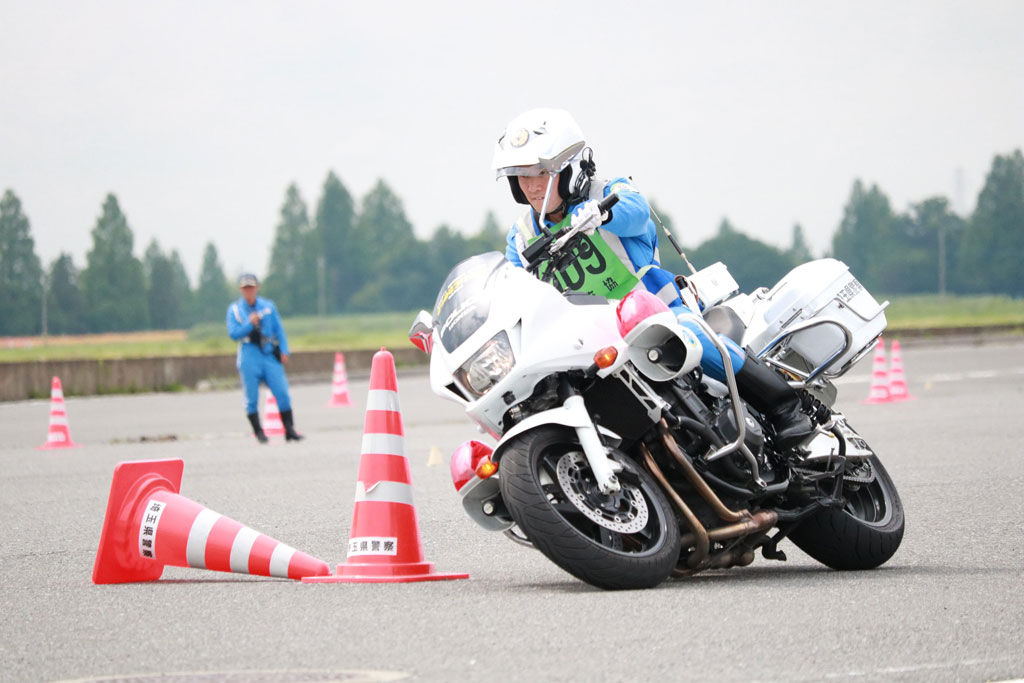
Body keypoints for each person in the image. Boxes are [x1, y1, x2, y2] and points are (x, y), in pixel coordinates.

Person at [492, 107, 813, 449]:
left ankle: (786, 407)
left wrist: (603, 214)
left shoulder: (608, 193)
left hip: (655, 314)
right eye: (522, 176)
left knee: (688, 333)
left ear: (569, 170)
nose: (532, 186)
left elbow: (637, 212)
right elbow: (511, 289)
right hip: (591, 339)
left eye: (542, 173)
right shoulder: (521, 237)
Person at [226, 273, 303, 443]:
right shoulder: (235, 310)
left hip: (268, 352)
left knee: (282, 391)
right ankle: (258, 431)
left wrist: (284, 350)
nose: (249, 291)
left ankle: (289, 429)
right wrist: (249, 323)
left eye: (251, 287)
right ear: (241, 290)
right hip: (249, 353)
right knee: (251, 396)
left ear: (257, 288)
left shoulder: (268, 306)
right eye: (245, 288)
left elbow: (279, 329)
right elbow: (233, 333)